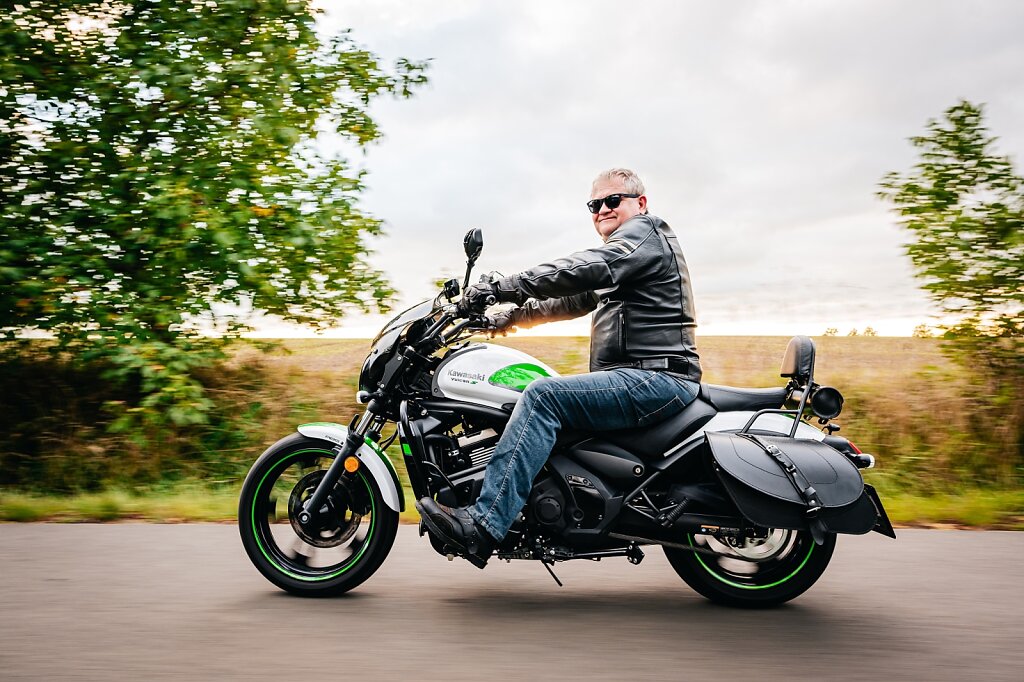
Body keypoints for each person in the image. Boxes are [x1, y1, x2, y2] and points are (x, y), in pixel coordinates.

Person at [416, 168, 702, 567]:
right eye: (594, 204)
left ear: (640, 203)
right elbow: (567, 300)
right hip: (636, 376)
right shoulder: (627, 260)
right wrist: (499, 320)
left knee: (541, 398)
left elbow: (584, 268)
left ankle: (484, 523)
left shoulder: (644, 234)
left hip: (655, 377)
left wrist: (501, 286)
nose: (602, 209)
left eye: (612, 200)